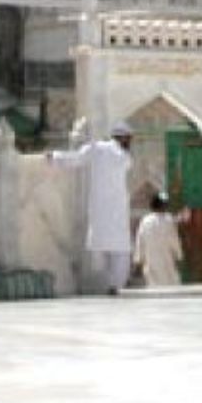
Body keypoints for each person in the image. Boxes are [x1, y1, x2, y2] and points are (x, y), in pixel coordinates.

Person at [47, 121, 135, 294]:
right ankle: (114, 285)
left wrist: (55, 157)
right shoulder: (123, 156)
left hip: (102, 207)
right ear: (123, 138)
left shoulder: (98, 149)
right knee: (119, 250)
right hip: (115, 208)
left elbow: (76, 158)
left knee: (102, 247)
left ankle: (107, 283)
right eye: (128, 139)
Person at [133, 192, 185, 287]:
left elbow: (140, 241)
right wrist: (179, 256)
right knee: (170, 287)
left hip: (151, 262)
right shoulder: (168, 220)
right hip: (167, 262)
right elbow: (174, 240)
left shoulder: (145, 221)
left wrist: (139, 259)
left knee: (153, 287)